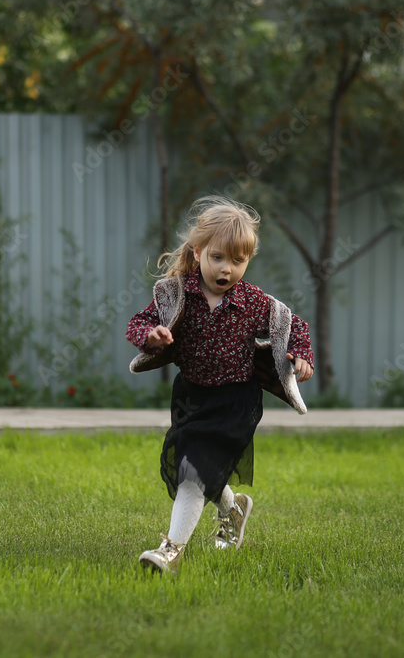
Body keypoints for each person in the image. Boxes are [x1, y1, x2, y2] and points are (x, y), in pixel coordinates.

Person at [125, 195, 314, 573]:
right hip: (192, 396)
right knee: (190, 465)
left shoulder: (254, 302)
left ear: (247, 261)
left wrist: (301, 356)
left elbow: (295, 327)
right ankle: (232, 509)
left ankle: (171, 551)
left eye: (238, 261)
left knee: (195, 472)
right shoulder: (176, 293)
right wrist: (153, 336)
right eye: (218, 258)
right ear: (198, 252)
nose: (227, 269)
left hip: (236, 402)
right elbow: (137, 324)